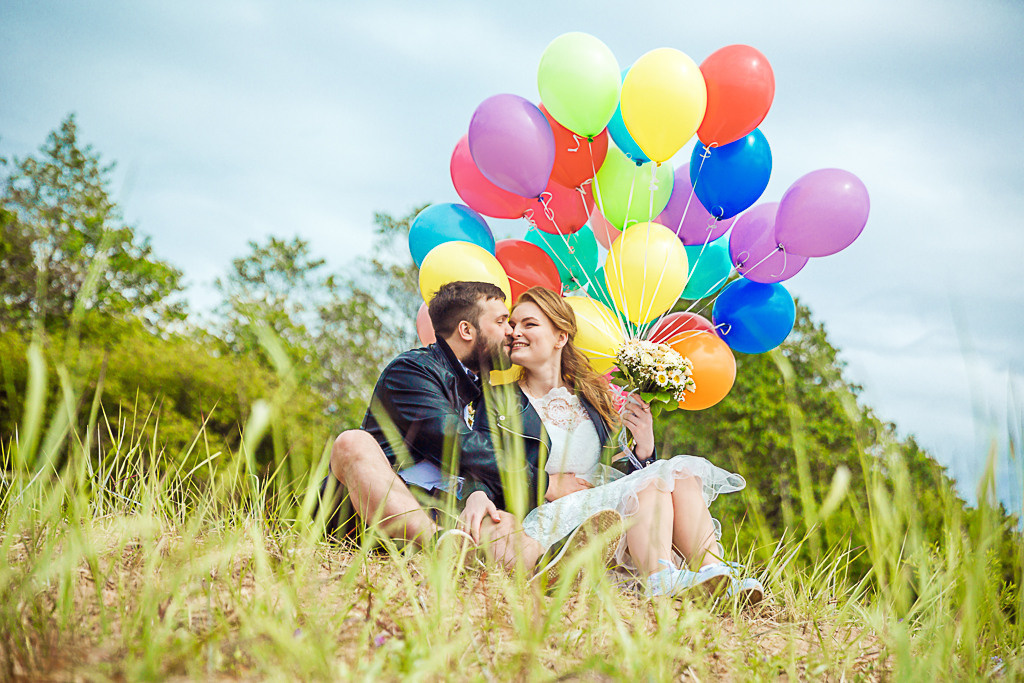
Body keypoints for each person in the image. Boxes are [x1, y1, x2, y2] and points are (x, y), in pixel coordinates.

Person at [321, 280, 624, 575]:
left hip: (442, 511)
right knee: (352, 442)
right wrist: (545, 484)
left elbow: (474, 470)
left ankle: (545, 569)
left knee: (497, 518)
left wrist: (479, 500)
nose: (511, 332)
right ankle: (438, 543)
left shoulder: (483, 391)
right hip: (369, 510)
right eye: (503, 321)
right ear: (467, 330)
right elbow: (458, 444)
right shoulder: (414, 371)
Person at [485, 286, 764, 601]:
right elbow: (483, 462)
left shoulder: (593, 397)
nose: (514, 332)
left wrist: (644, 447)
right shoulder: (498, 399)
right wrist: (546, 483)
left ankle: (715, 574)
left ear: (560, 337)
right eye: (513, 324)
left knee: (680, 475)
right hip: (551, 516)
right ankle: (659, 576)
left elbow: (618, 470)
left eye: (528, 324)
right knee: (656, 477)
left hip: (606, 505)